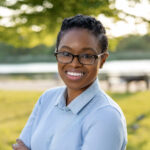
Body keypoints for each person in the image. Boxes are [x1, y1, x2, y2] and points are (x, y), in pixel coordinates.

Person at [12, 14, 127, 150]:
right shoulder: (47, 99)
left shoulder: (106, 117)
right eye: (66, 54)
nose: (74, 64)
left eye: (86, 56)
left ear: (102, 60)